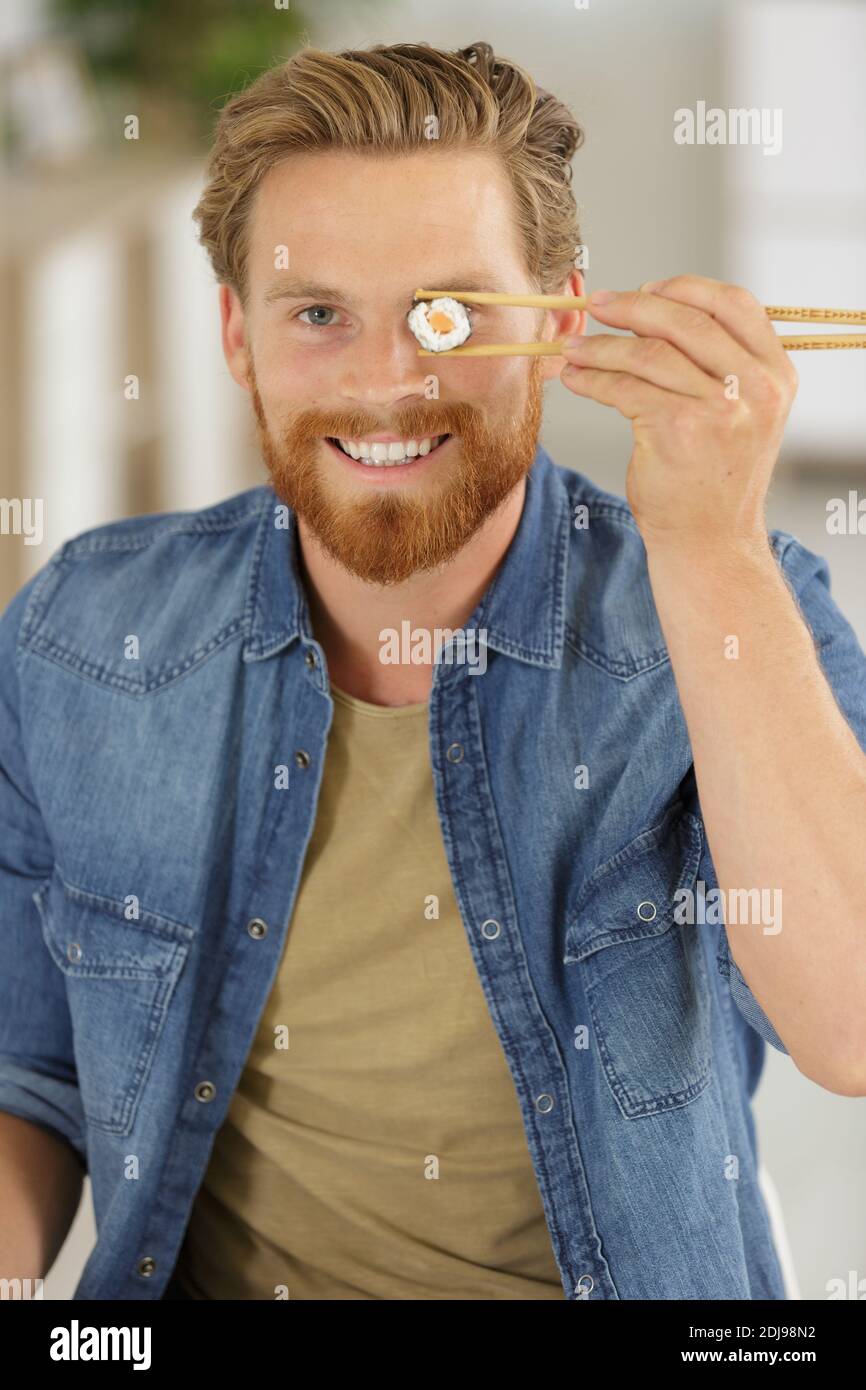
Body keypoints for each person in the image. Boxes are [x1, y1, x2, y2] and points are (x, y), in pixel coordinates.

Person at [2, 39, 865, 1303]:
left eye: (447, 313)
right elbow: (27, 1078)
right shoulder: (79, 630)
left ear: (561, 323)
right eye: (316, 314)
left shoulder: (733, 597)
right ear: (237, 336)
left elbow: (848, 1026)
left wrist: (708, 541)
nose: (387, 384)